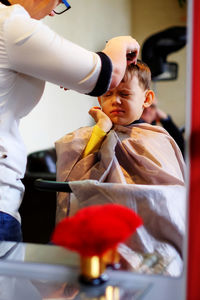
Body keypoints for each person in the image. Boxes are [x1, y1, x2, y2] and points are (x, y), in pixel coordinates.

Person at [0, 0, 140, 242]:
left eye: (126, 95)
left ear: (147, 99)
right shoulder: (11, 22)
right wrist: (120, 43)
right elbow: (108, 73)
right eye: (59, 1)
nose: (54, 12)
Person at [56, 61, 185, 274]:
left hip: (154, 236)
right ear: (99, 99)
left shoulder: (159, 139)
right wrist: (101, 129)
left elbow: (170, 197)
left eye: (124, 94)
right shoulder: (88, 137)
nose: (115, 101)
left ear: (147, 99)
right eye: (108, 95)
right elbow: (77, 181)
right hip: (106, 239)